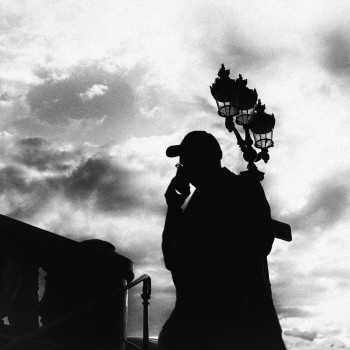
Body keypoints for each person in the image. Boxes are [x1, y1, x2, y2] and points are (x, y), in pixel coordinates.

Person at [158, 131, 286, 350]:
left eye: (186, 161)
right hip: (204, 330)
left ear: (206, 158)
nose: (183, 168)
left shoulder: (242, 187)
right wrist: (174, 206)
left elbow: (259, 242)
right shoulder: (192, 208)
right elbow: (172, 259)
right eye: (181, 165)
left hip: (240, 328)